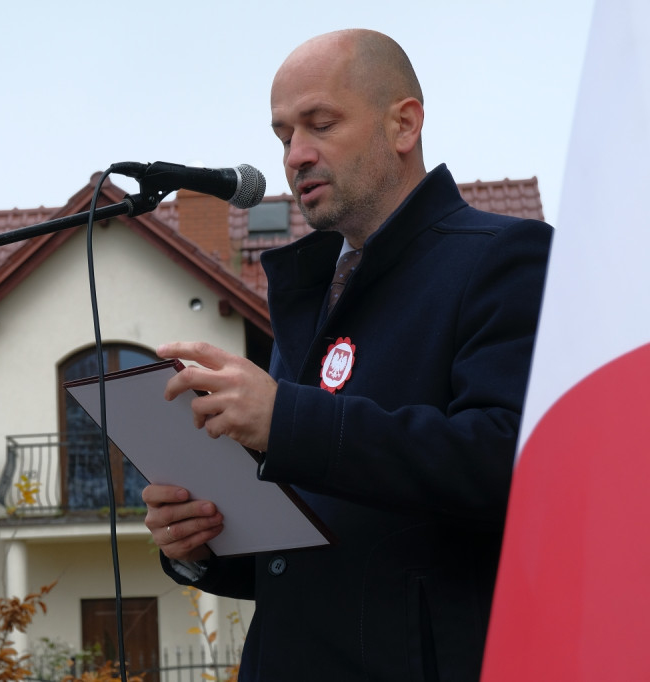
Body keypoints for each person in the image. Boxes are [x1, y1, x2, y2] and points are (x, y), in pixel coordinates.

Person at [144, 29, 552, 681]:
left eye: (320, 124)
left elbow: (506, 460)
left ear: (404, 124)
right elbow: (312, 547)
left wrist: (286, 421)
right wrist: (206, 541)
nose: (296, 155)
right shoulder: (311, 292)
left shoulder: (506, 257)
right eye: (282, 137)